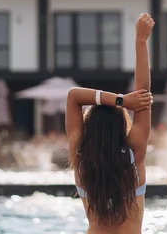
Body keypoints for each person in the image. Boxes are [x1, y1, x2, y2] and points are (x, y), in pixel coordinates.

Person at [66, 12, 155, 233]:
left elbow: (74, 97)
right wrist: (140, 41)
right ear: (121, 126)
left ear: (90, 128)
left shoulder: (81, 158)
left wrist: (120, 100)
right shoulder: (134, 154)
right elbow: (143, 93)